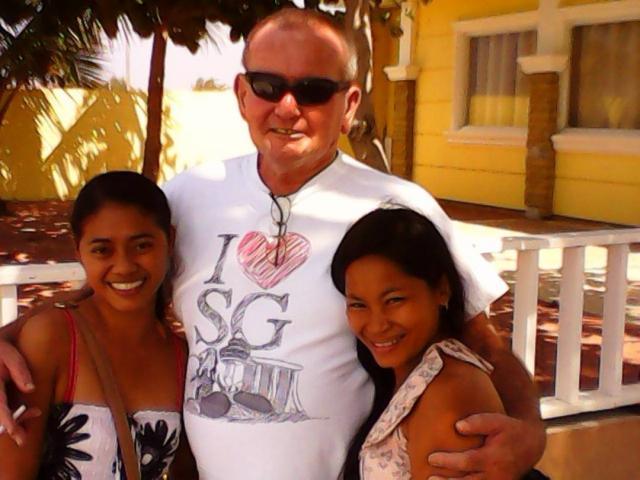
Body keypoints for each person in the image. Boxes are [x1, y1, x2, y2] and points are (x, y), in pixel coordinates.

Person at [0, 7, 545, 480]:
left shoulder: (399, 208)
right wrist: (6, 341)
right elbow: (111, 292)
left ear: (350, 103)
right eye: (267, 86)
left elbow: (481, 341)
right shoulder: (188, 197)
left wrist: (530, 431)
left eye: (313, 90)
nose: (287, 107)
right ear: (242, 94)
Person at [0, 172, 195, 479]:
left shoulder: (182, 357)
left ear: (169, 240)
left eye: (142, 246)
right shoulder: (52, 337)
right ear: (78, 250)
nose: (124, 266)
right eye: (103, 250)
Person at [331, 207, 548, 479]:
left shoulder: (449, 392)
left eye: (395, 300)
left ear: (442, 290)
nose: (376, 325)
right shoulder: (410, 378)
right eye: (358, 304)